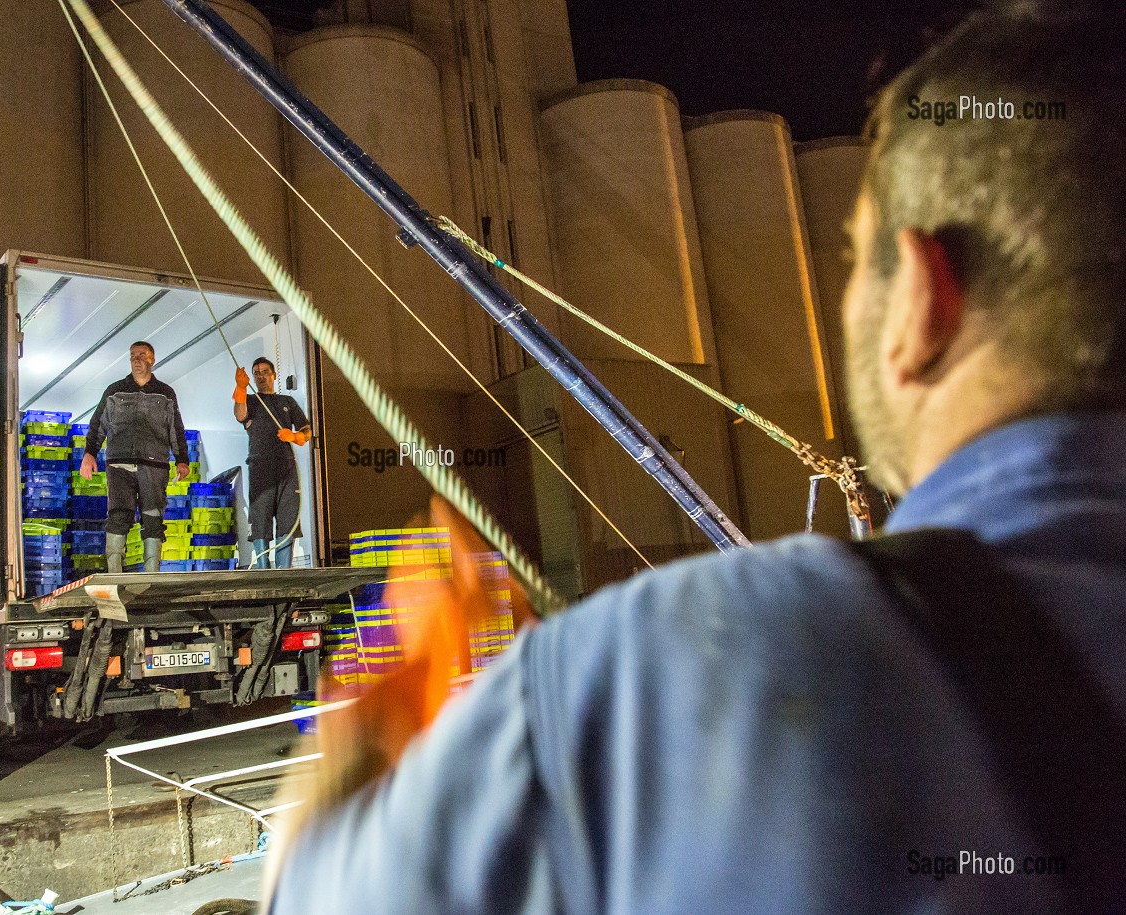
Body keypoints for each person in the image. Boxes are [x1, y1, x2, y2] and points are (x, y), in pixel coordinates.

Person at [266, 3, 1126, 912]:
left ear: (920, 300)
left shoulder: (674, 681)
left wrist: (380, 706)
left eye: (851, 256)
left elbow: (319, 895)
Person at [81, 341, 191, 573]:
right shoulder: (115, 390)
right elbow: (98, 424)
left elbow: (176, 428)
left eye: (142, 355)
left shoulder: (165, 393)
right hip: (119, 463)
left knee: (153, 516)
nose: (137, 359)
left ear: (152, 360)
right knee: (119, 514)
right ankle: (114, 572)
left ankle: (151, 572)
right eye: (132, 355)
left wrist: (182, 459)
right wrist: (89, 453)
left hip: (155, 465)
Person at [234, 357, 311, 568]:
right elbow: (240, 415)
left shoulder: (287, 402)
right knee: (260, 518)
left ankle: (284, 570)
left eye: (265, 372)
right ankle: (262, 569)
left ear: (274, 375)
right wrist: (240, 387)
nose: (261, 376)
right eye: (256, 373)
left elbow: (307, 432)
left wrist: (293, 436)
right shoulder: (250, 400)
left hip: (286, 467)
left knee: (288, 518)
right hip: (260, 466)